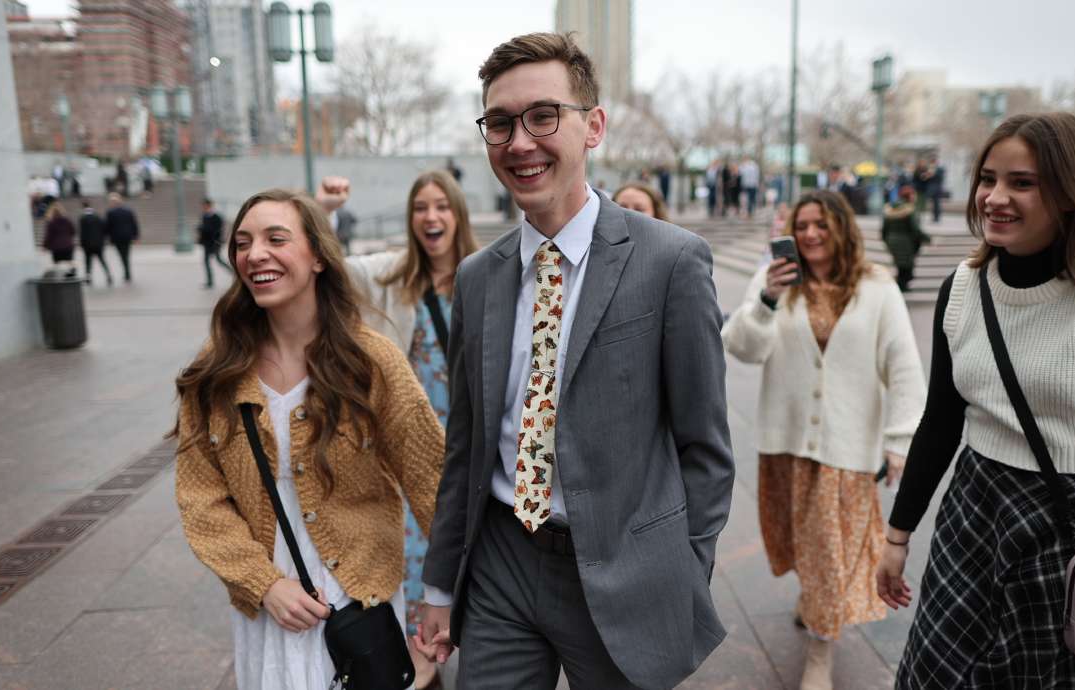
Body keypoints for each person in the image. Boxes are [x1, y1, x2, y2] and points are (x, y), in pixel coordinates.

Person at [418, 32, 734, 690]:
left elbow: (704, 448)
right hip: (502, 558)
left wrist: (681, 577)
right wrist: (440, 583)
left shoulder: (671, 261)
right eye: (499, 123)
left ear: (593, 127)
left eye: (542, 116)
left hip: (621, 570)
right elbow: (467, 447)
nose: (519, 142)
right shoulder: (476, 278)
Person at [875, 113, 1075, 689]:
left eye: (1022, 183)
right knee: (934, 676)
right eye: (988, 179)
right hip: (974, 515)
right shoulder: (963, 287)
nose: (995, 198)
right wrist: (898, 536)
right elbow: (943, 420)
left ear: (1069, 193)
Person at [173, 188, 445, 690]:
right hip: (269, 606)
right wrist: (263, 584)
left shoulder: (371, 360)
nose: (255, 254)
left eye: (277, 239)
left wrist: (447, 593)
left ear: (318, 256)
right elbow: (200, 497)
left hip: (361, 596)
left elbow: (432, 478)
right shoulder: (216, 370)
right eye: (243, 243)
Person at [723, 189, 925, 689]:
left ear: (842, 228)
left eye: (822, 224)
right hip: (785, 442)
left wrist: (900, 439)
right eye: (803, 224)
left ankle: (819, 652)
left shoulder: (877, 286)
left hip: (846, 446)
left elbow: (903, 364)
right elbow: (744, 348)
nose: (811, 234)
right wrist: (768, 298)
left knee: (830, 554)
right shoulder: (775, 280)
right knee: (797, 540)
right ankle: (813, 596)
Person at [341, 169, 480, 690]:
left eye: (441, 206)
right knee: (416, 561)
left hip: (469, 450)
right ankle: (421, 667)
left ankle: (461, 648)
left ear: (458, 215)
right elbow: (326, 265)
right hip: (410, 455)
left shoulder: (487, 274)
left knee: (470, 564)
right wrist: (326, 210)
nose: (431, 216)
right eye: (420, 207)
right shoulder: (393, 275)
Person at [881, 186, 931, 291]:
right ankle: (902, 286)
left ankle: (902, 285)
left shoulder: (890, 209)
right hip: (905, 242)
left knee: (901, 264)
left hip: (891, 240)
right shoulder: (910, 210)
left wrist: (886, 240)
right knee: (906, 265)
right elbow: (915, 229)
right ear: (910, 196)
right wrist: (926, 238)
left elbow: (884, 229)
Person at [316, 179, 358, 255]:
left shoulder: (337, 213)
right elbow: (355, 220)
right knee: (347, 248)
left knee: (338, 249)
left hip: (339, 234)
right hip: (347, 233)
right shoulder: (348, 212)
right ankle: (347, 255)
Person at [105, 192, 139, 283]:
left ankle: (127, 272)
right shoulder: (128, 211)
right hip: (127, 236)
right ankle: (127, 272)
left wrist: (108, 238)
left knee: (122, 255)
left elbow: (108, 227)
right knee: (126, 255)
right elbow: (134, 224)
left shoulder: (110, 212)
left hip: (117, 238)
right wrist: (135, 236)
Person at [197, 198, 231, 288]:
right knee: (206, 261)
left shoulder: (217, 217)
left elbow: (216, 231)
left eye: (205, 206)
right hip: (207, 244)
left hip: (215, 243)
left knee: (219, 260)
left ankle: (234, 273)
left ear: (209, 206)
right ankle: (210, 282)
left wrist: (202, 229)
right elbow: (205, 229)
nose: (203, 208)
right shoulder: (204, 216)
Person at [79, 201, 112, 286]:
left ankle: (88, 278)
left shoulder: (83, 218)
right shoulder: (97, 216)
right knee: (102, 260)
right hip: (98, 244)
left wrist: (82, 244)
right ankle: (108, 276)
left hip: (88, 245)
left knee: (88, 262)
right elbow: (105, 229)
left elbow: (82, 233)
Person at [42, 202, 76, 269]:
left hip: (56, 247)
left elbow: (49, 236)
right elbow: (73, 231)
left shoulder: (51, 223)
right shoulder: (67, 220)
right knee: (70, 262)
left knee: (56, 264)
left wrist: (45, 246)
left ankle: (58, 277)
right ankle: (73, 275)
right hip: (68, 245)